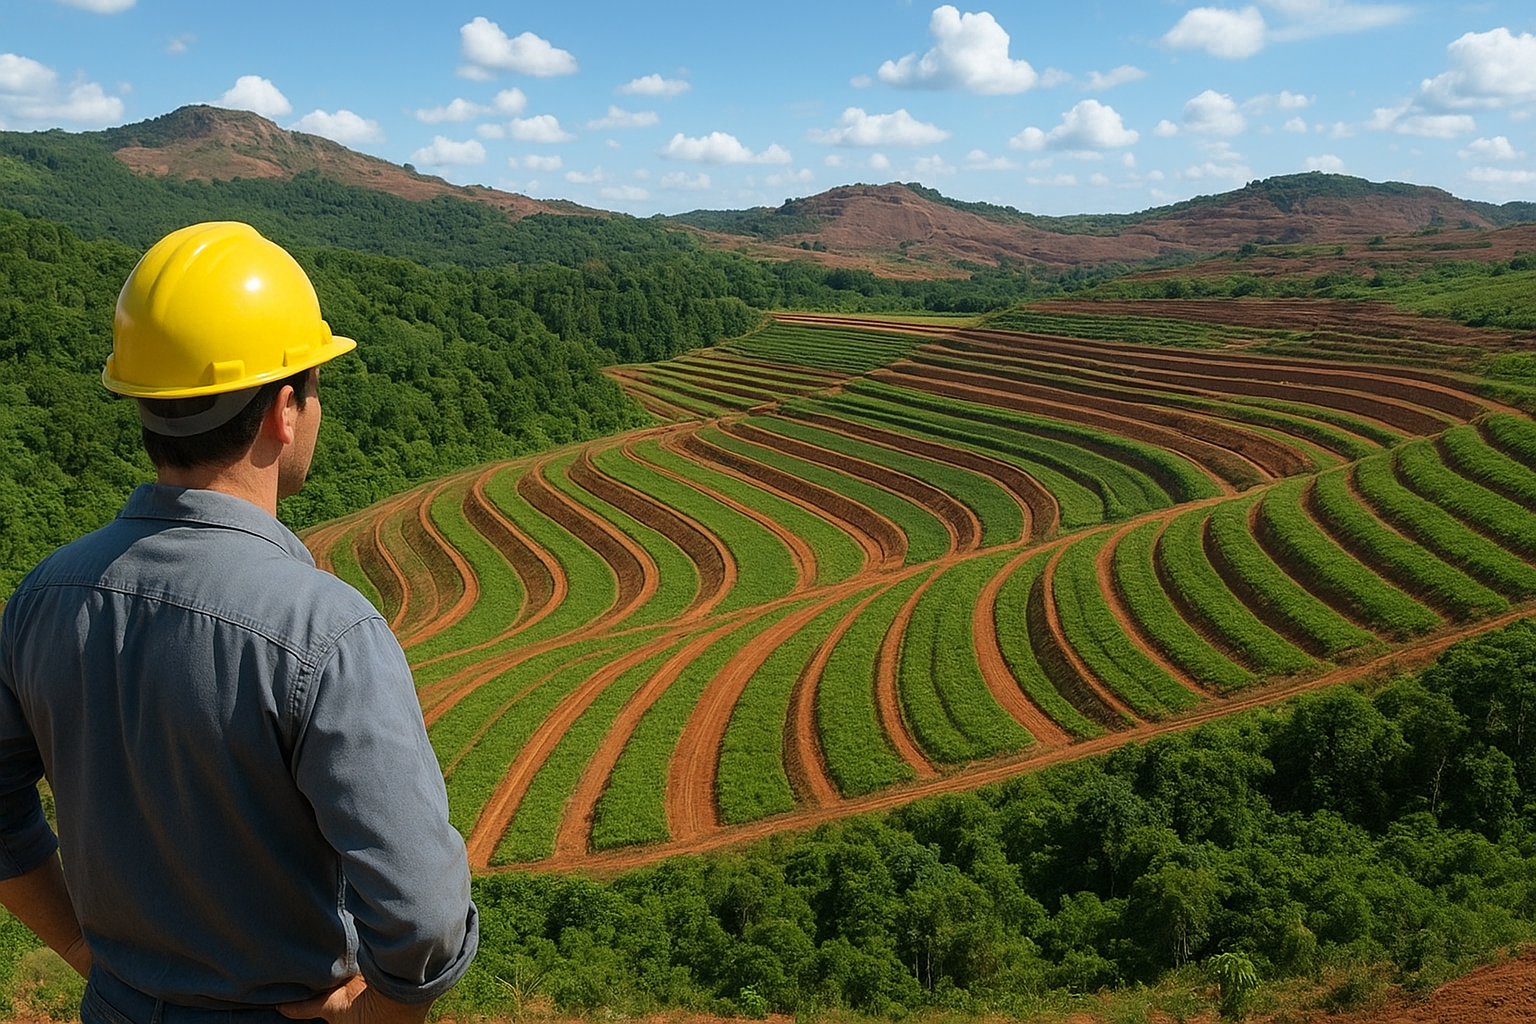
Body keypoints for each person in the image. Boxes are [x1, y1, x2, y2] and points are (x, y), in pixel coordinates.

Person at [0, 222, 478, 1024]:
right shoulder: (325, 632)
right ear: (284, 411)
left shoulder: (43, 595)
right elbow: (425, 919)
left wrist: (91, 958)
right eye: (314, 385)